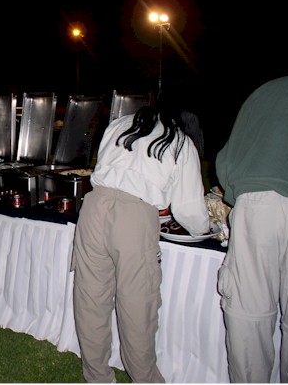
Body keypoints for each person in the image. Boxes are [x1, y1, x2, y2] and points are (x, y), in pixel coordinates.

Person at [71, 100, 210, 382]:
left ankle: (97, 377)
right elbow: (189, 211)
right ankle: (145, 379)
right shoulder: (180, 141)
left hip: (94, 208)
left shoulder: (120, 124)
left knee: (90, 301)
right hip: (134, 218)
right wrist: (208, 229)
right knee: (137, 306)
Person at [216, 75, 288, 383]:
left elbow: (227, 160)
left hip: (258, 204)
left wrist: (235, 194)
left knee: (249, 313)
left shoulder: (266, 91)